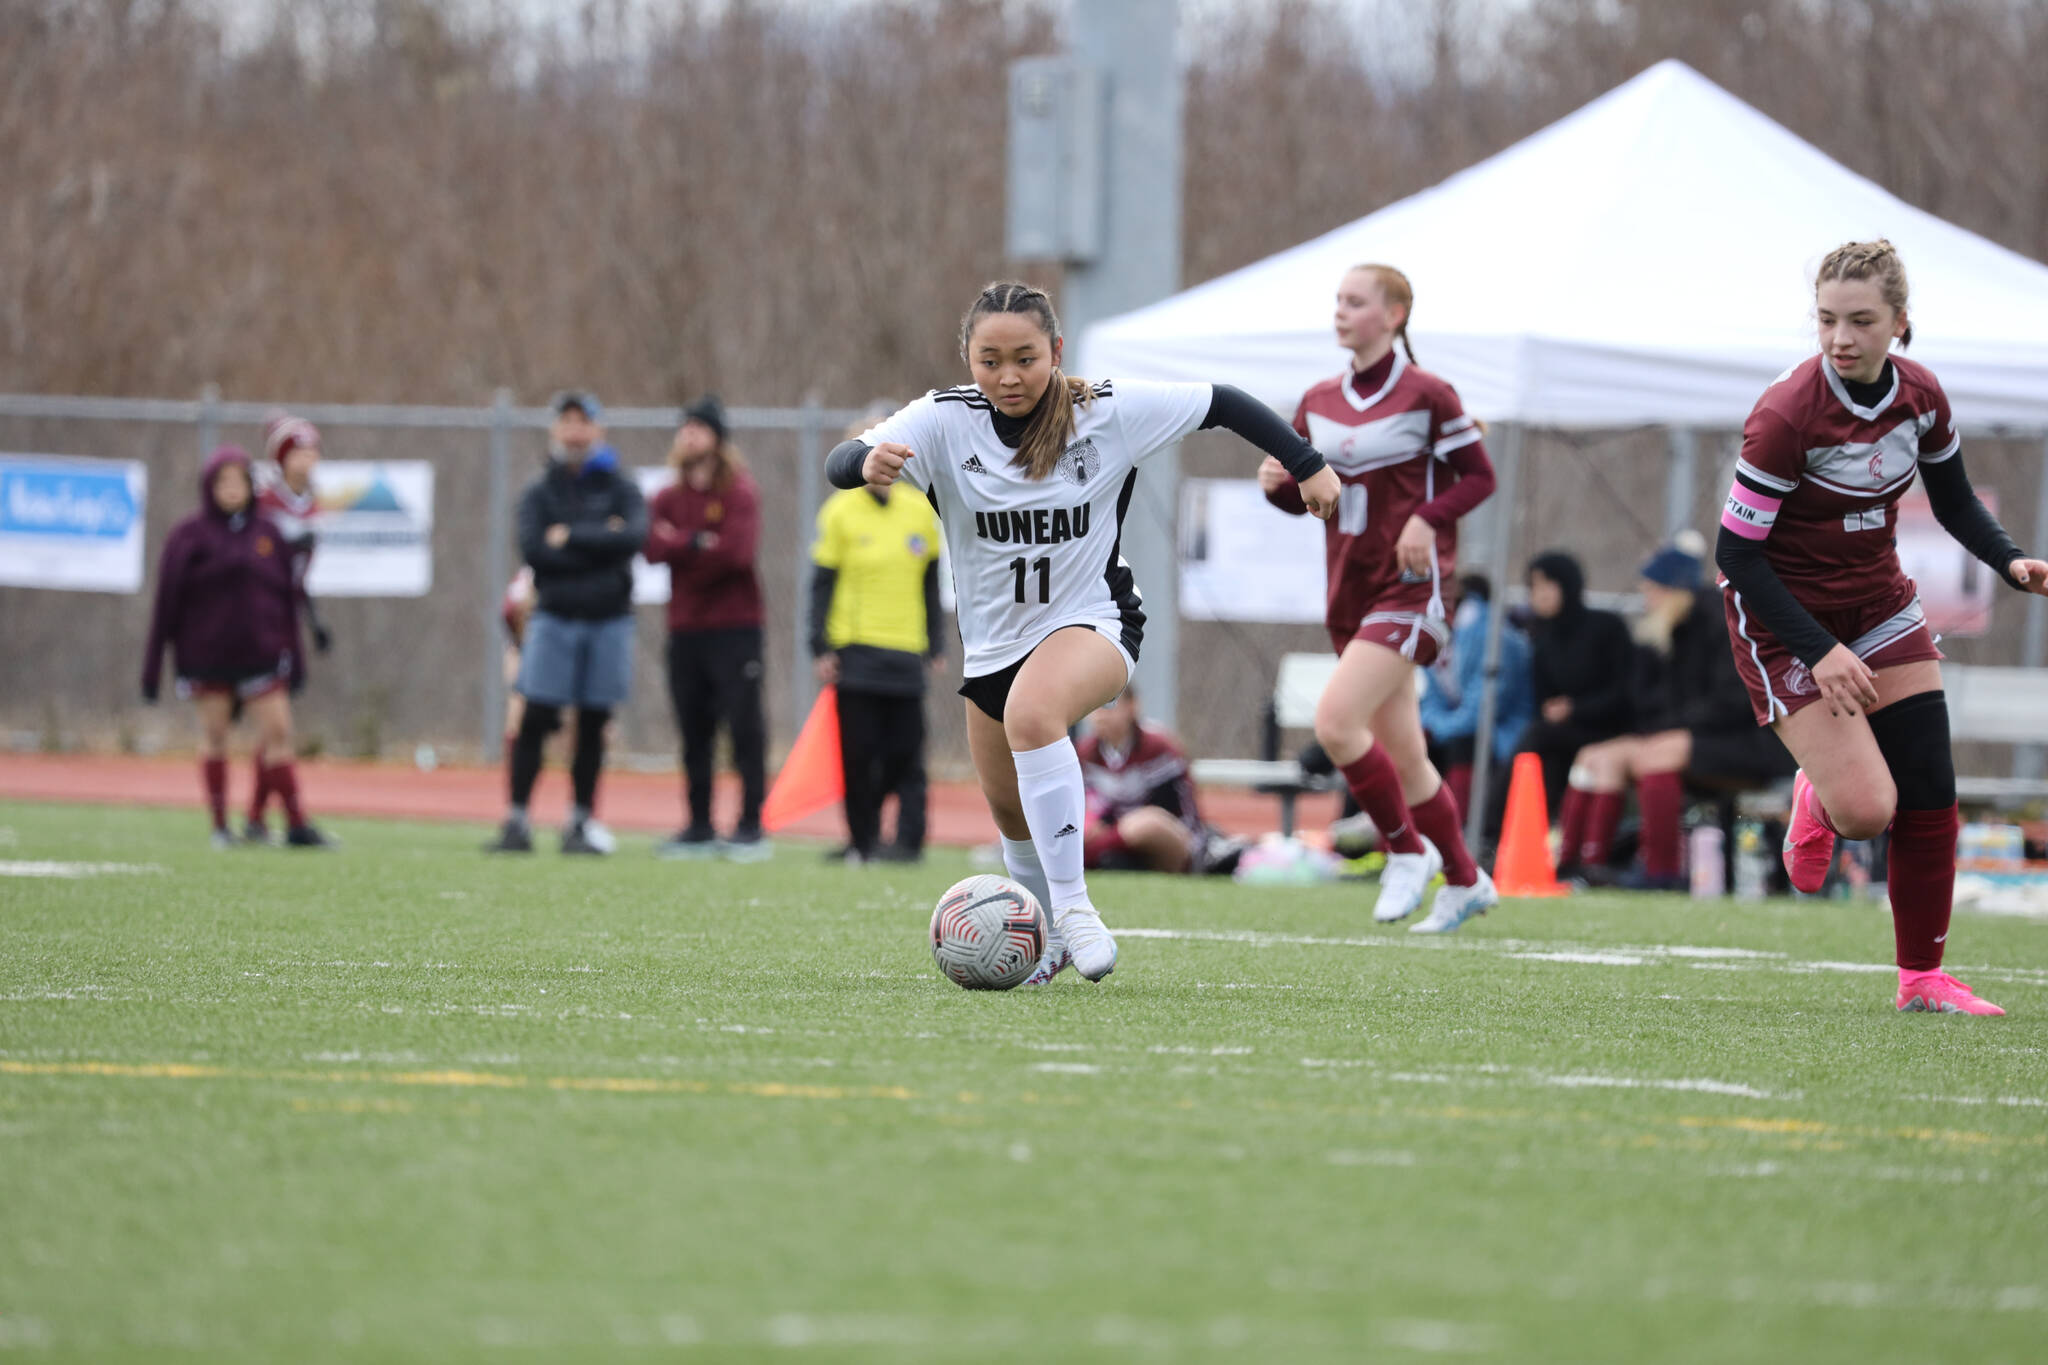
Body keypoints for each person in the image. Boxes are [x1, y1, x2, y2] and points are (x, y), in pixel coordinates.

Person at [825, 280, 1341, 982]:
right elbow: (840, 460)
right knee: (1012, 816)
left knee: (1034, 715)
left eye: (1026, 357)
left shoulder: (1106, 411)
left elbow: (1223, 401)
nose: (1008, 375)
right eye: (990, 359)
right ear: (968, 359)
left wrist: (1308, 465)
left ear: (1057, 351)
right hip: (994, 646)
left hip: (1094, 619)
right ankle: (1039, 944)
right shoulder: (945, 419)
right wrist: (866, 461)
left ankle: (1074, 910)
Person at [1714, 238, 2048, 1015]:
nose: (1840, 338)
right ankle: (1819, 794)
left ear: (1900, 322)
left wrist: (2010, 561)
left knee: (1931, 786)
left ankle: (1921, 978)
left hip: (1879, 603)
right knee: (1869, 809)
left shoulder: (1921, 395)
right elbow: (1739, 553)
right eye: (1827, 320)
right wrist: (1818, 650)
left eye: (1861, 321)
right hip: (1780, 616)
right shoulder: (1786, 414)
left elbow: (1956, 501)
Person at [1260, 263, 1498, 934]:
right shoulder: (1316, 399)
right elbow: (1306, 498)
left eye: (1356, 301)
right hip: (1350, 593)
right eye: (1337, 300)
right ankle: (1464, 877)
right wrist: (1276, 483)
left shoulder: (1427, 393)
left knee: (1335, 722)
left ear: (1394, 316)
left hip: (1411, 589)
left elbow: (1479, 477)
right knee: (1409, 757)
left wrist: (1427, 519)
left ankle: (1404, 851)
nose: (1341, 311)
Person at [1557, 541, 1792, 888]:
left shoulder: (1719, 621)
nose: (1647, 599)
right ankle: (1580, 867)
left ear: (1674, 589)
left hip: (1753, 741)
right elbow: (1655, 705)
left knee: (1655, 754)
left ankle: (1660, 873)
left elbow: (1733, 702)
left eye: (1653, 590)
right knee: (1595, 757)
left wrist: (1671, 732)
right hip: (1701, 736)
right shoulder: (1670, 631)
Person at [141, 445, 330, 849]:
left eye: (239, 481)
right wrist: (153, 667)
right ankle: (220, 826)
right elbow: (166, 604)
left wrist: (295, 658)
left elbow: (287, 599)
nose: (232, 489)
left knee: (279, 732)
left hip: (260, 653)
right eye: (223, 481)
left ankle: (296, 822)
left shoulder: (267, 533)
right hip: (207, 656)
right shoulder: (188, 535)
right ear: (209, 486)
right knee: (216, 736)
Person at [487, 389, 646, 855]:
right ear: (555, 430)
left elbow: (633, 538)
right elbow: (535, 550)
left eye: (584, 422)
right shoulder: (540, 490)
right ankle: (517, 820)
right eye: (567, 422)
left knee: (594, 722)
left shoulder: (621, 485)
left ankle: (580, 822)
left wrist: (571, 537)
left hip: (609, 619)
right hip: (554, 617)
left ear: (599, 430)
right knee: (536, 715)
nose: (576, 432)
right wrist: (602, 539)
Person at [809, 409, 944, 864]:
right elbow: (822, 583)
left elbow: (931, 580)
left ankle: (909, 841)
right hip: (857, 652)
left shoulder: (920, 510)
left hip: (906, 651)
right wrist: (821, 645)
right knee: (859, 756)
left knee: (908, 754)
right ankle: (861, 842)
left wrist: (936, 642)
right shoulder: (839, 512)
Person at [643, 396, 771, 861]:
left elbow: (736, 554)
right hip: (685, 629)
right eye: (686, 428)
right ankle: (698, 825)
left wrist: (682, 548)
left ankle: (751, 827)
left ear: (717, 439)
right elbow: (649, 546)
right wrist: (695, 543)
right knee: (693, 730)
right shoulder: (666, 495)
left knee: (744, 729)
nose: (689, 436)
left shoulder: (739, 491)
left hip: (735, 628)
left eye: (699, 428)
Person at [246, 412, 332, 843]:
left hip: (286, 622)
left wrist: (314, 621)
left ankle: (255, 818)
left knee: (272, 728)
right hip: (257, 622)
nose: (307, 458)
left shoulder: (310, 503)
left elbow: (300, 578)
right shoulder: (263, 501)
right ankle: (295, 822)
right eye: (298, 450)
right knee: (278, 728)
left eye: (312, 449)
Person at [1514, 551, 1636, 823]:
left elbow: (1625, 690)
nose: (1540, 594)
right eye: (1533, 587)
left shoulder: (1606, 627)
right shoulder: (1543, 639)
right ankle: (1539, 830)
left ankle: (1495, 827)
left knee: (1537, 739)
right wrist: (1554, 710)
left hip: (1609, 726)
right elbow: (1541, 698)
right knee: (1543, 749)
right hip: (1561, 731)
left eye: (1547, 585)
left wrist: (1574, 708)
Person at [1077, 686, 1240, 876]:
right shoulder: (1085, 752)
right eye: (1092, 707)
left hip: (1170, 836)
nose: (1099, 715)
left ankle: (1087, 857)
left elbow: (1179, 810)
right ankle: (1104, 858)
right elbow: (1087, 804)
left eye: (1107, 706)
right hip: (1113, 834)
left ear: (1132, 706)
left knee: (1145, 824)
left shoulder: (1158, 748)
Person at [1417, 572, 1534, 824]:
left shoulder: (1495, 636)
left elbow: (1486, 706)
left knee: (1461, 744)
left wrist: (1439, 728)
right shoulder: (1435, 633)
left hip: (1501, 731)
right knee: (1408, 742)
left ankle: (1456, 834)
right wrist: (1433, 726)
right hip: (1454, 726)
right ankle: (1396, 836)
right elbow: (1431, 698)